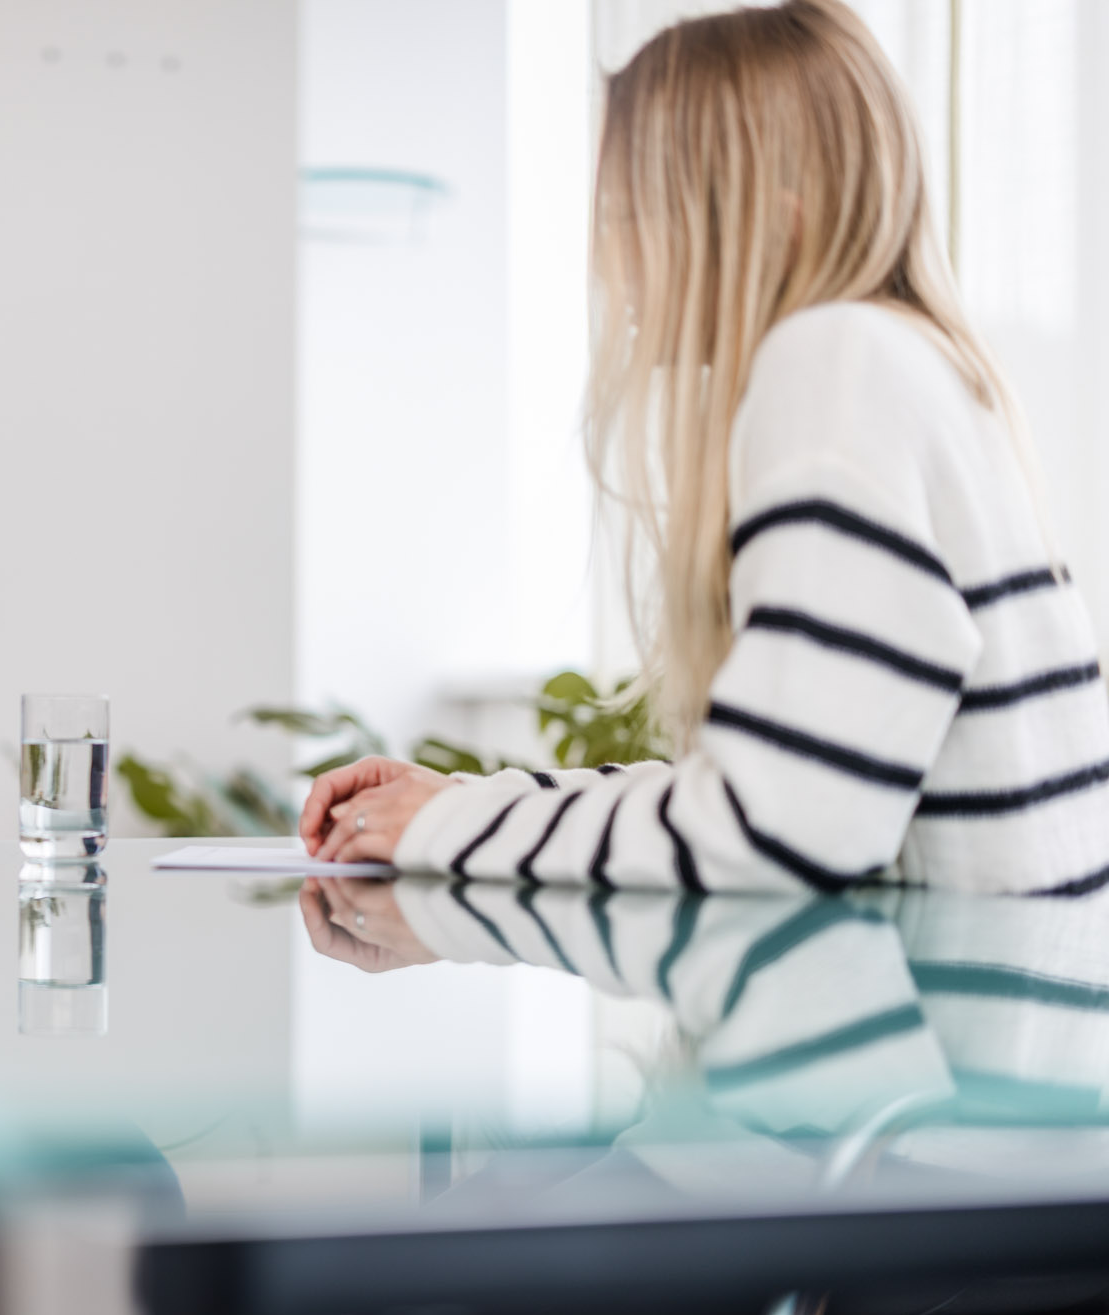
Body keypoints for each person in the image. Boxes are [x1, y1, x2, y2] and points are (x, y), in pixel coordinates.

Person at [302, 0, 1109, 895]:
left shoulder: (834, 364)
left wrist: (449, 826)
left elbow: (775, 832)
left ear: (771, 225)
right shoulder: (917, 364)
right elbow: (770, 785)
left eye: (627, 216)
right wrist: (460, 803)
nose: (607, 261)